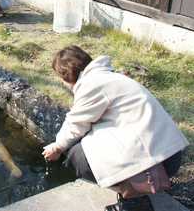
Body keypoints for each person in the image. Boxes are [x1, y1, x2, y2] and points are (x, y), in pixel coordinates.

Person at [43, 46, 188, 211]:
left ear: (65, 76)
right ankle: (137, 189)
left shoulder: (92, 84)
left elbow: (76, 124)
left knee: (77, 154)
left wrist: (57, 146)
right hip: (170, 158)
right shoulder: (112, 78)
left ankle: (133, 200)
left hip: (153, 162)